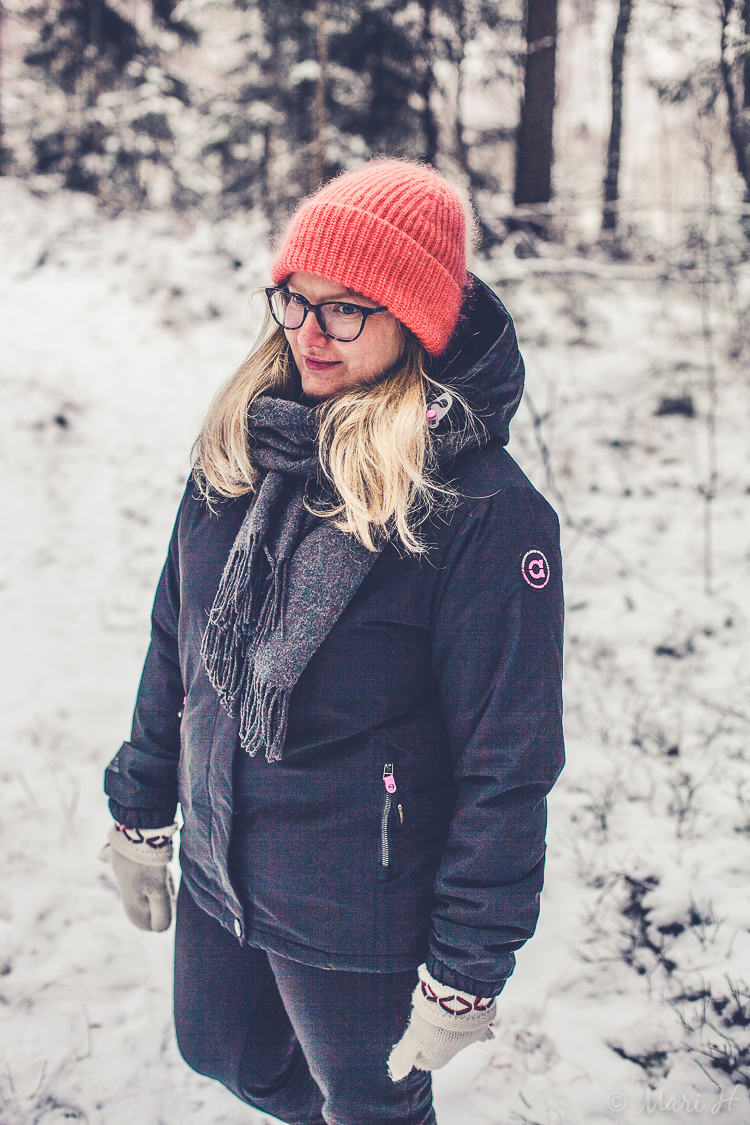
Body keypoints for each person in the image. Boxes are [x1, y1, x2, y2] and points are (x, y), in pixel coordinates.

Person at [101, 160, 565, 1125]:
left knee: (371, 1108)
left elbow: (508, 760)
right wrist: (142, 803)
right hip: (223, 854)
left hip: (363, 901)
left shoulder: (478, 508)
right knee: (220, 1048)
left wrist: (467, 966)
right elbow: (176, 642)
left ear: (417, 321)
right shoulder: (242, 444)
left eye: (347, 309)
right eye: (295, 299)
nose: (309, 332)